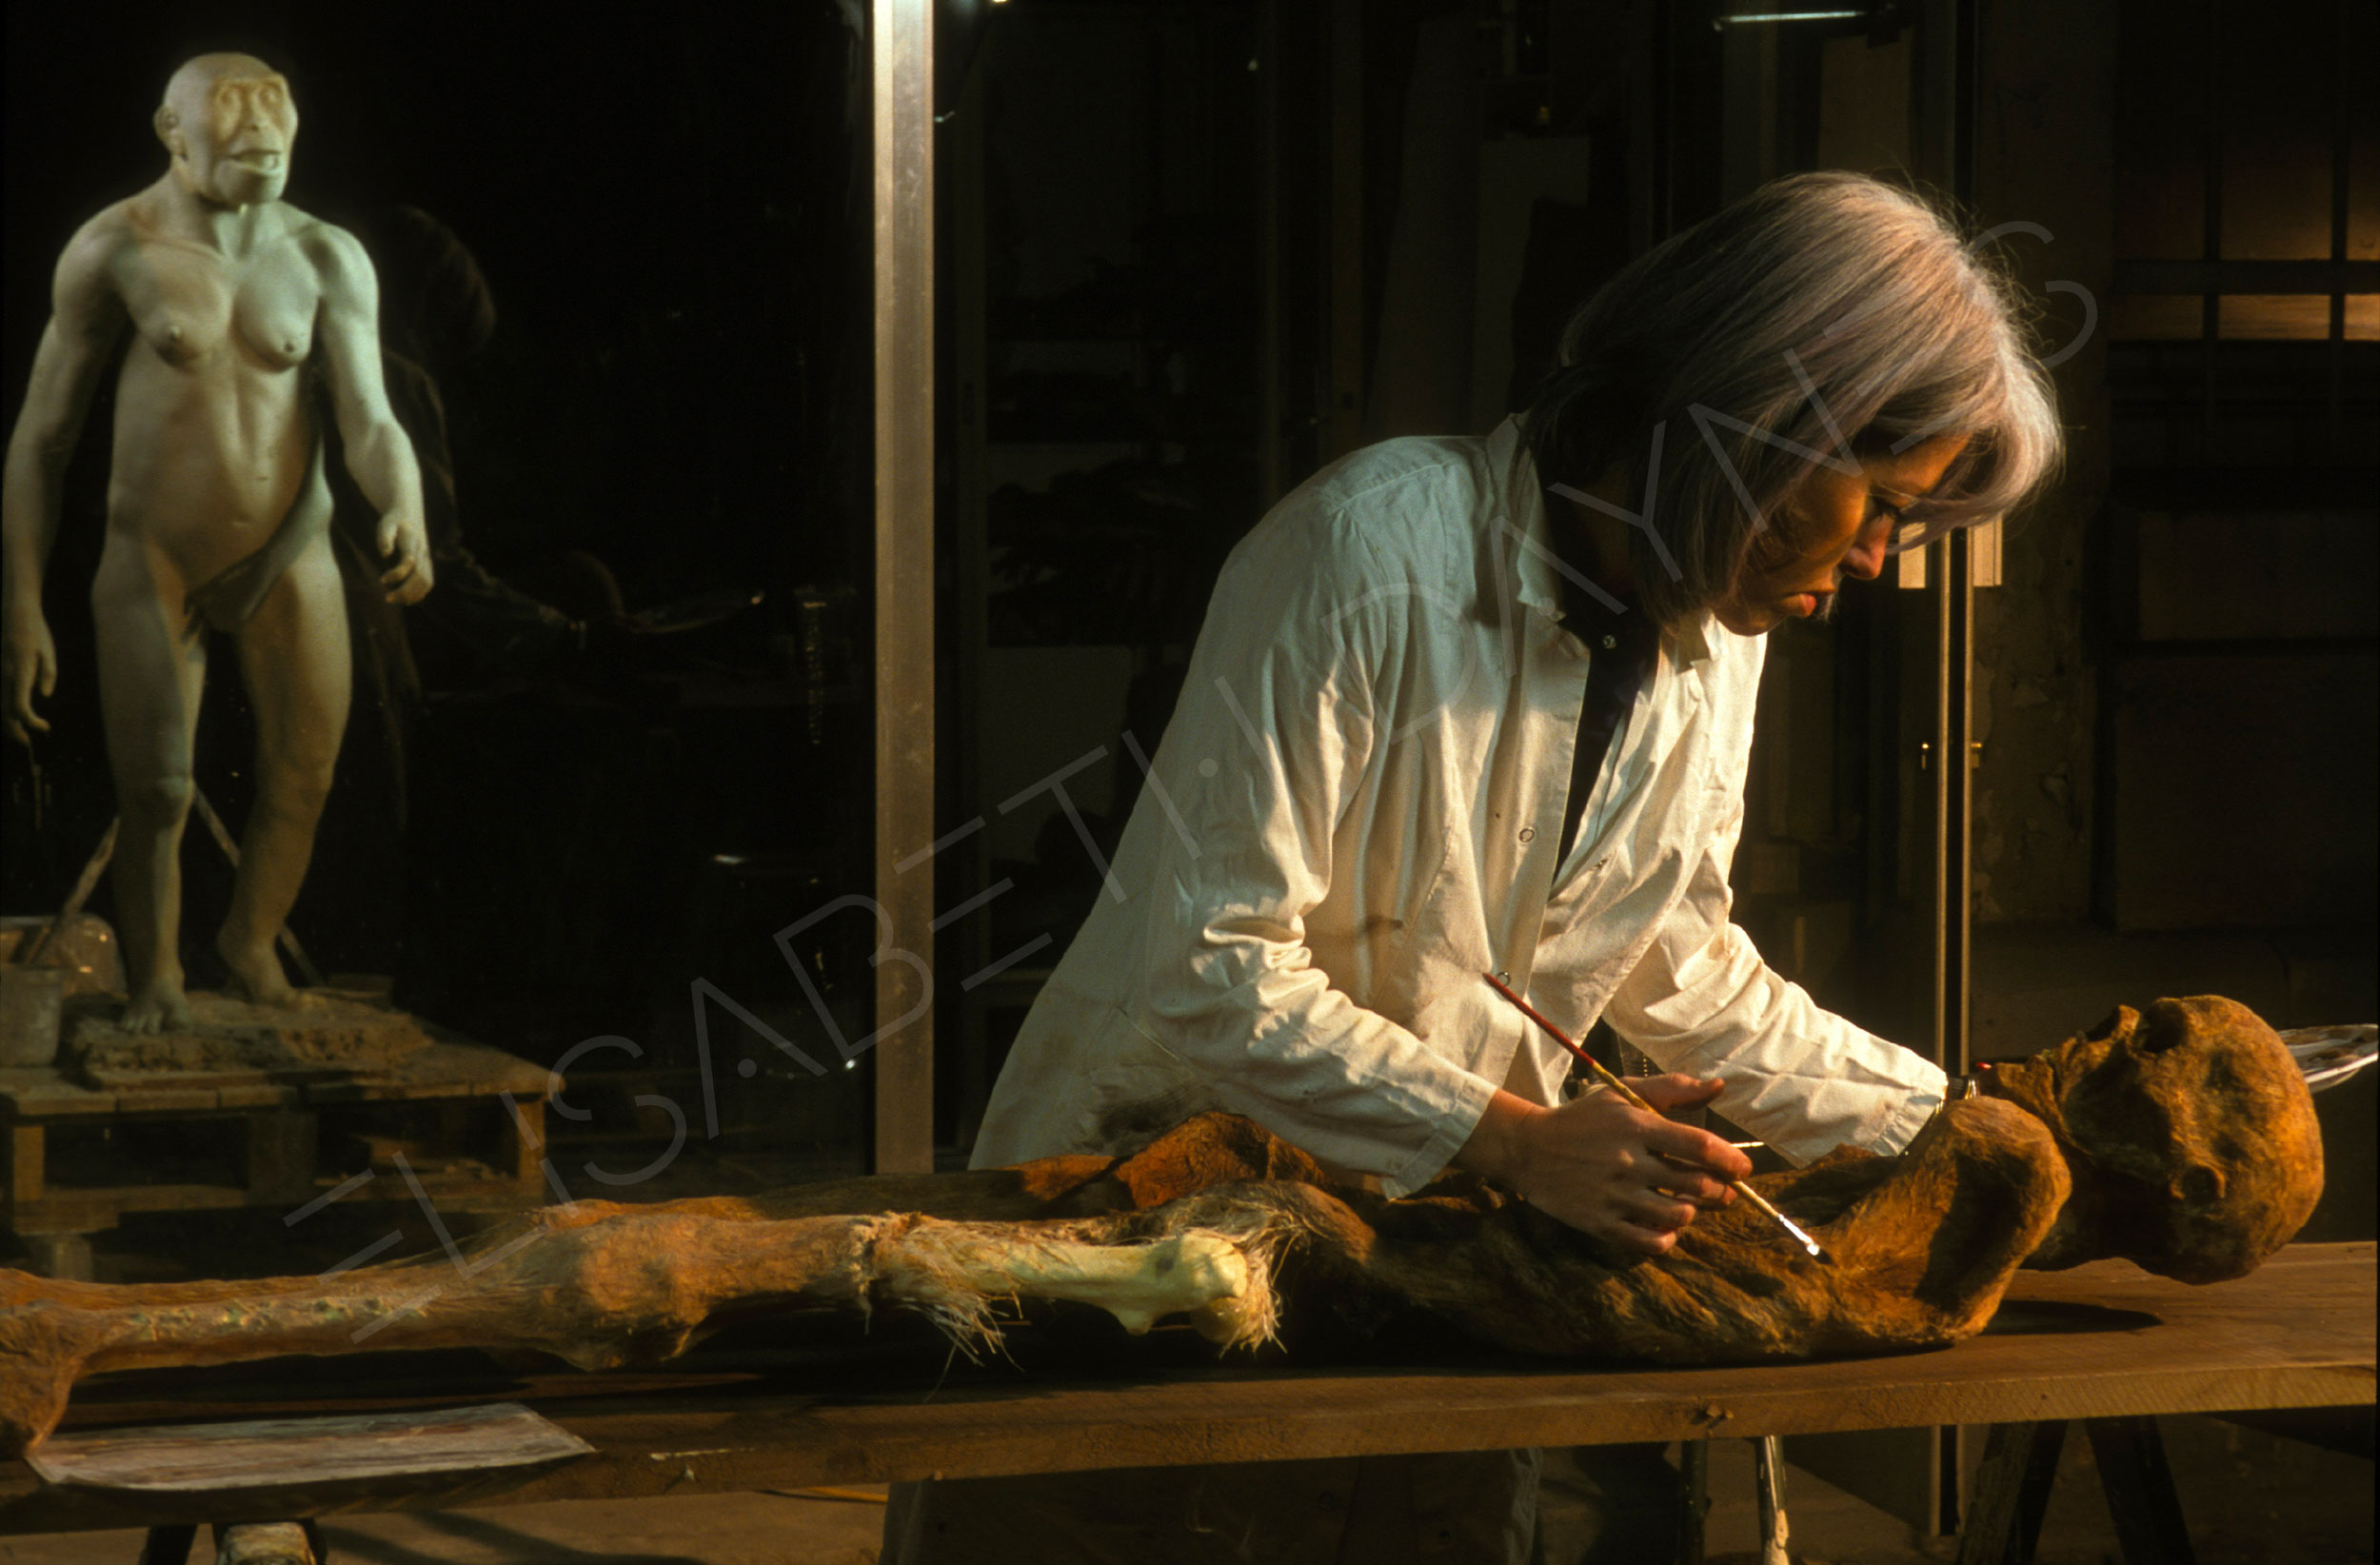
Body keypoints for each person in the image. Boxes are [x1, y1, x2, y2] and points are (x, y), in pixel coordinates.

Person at [884, 172, 2063, 1563]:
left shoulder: (1710, 638)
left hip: (1423, 1274)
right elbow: (1210, 966)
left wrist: (1980, 1128)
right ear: (1759, 422)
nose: (1879, 559)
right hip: (1140, 1240)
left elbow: (1686, 973)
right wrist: (1512, 1137)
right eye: (1882, 503)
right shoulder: (1369, 550)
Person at [1, 53, 431, 1031]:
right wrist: (20, 601)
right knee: (155, 788)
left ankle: (246, 943)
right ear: (172, 133)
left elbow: (369, 415)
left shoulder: (325, 254)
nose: (258, 155)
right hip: (154, 556)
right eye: (235, 141)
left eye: (273, 145)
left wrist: (402, 499)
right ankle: (155, 976)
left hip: (292, 551)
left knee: (307, 768)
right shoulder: (114, 246)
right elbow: (40, 438)